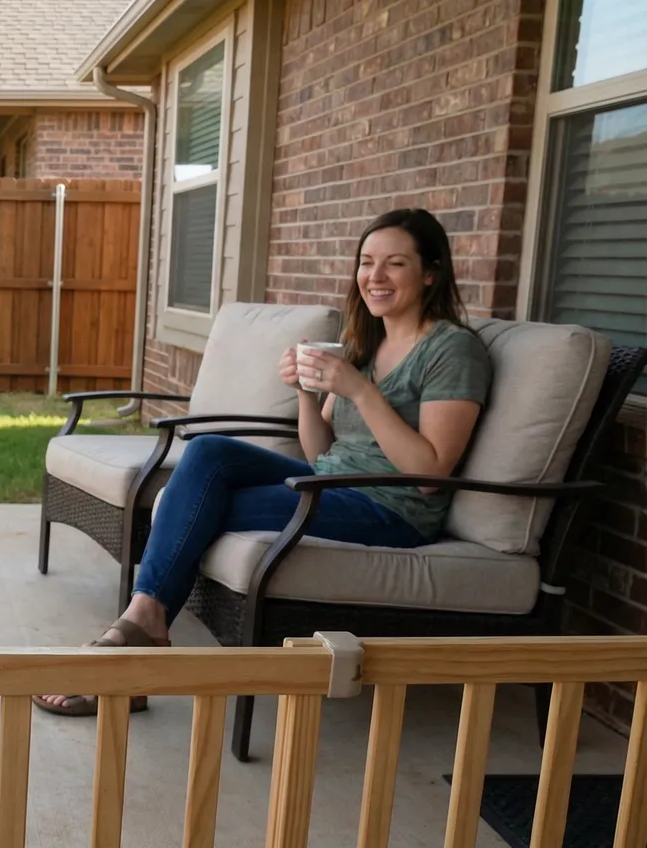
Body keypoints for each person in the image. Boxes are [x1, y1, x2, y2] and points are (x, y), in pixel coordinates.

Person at [33, 207, 492, 717]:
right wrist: (302, 391)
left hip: (391, 507)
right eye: (366, 262)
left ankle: (136, 637)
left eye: (395, 264)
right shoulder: (370, 343)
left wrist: (359, 391)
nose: (375, 277)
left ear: (430, 273)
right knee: (208, 452)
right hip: (332, 480)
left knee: (194, 505)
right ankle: (142, 626)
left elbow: (430, 476)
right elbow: (320, 452)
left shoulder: (452, 350)